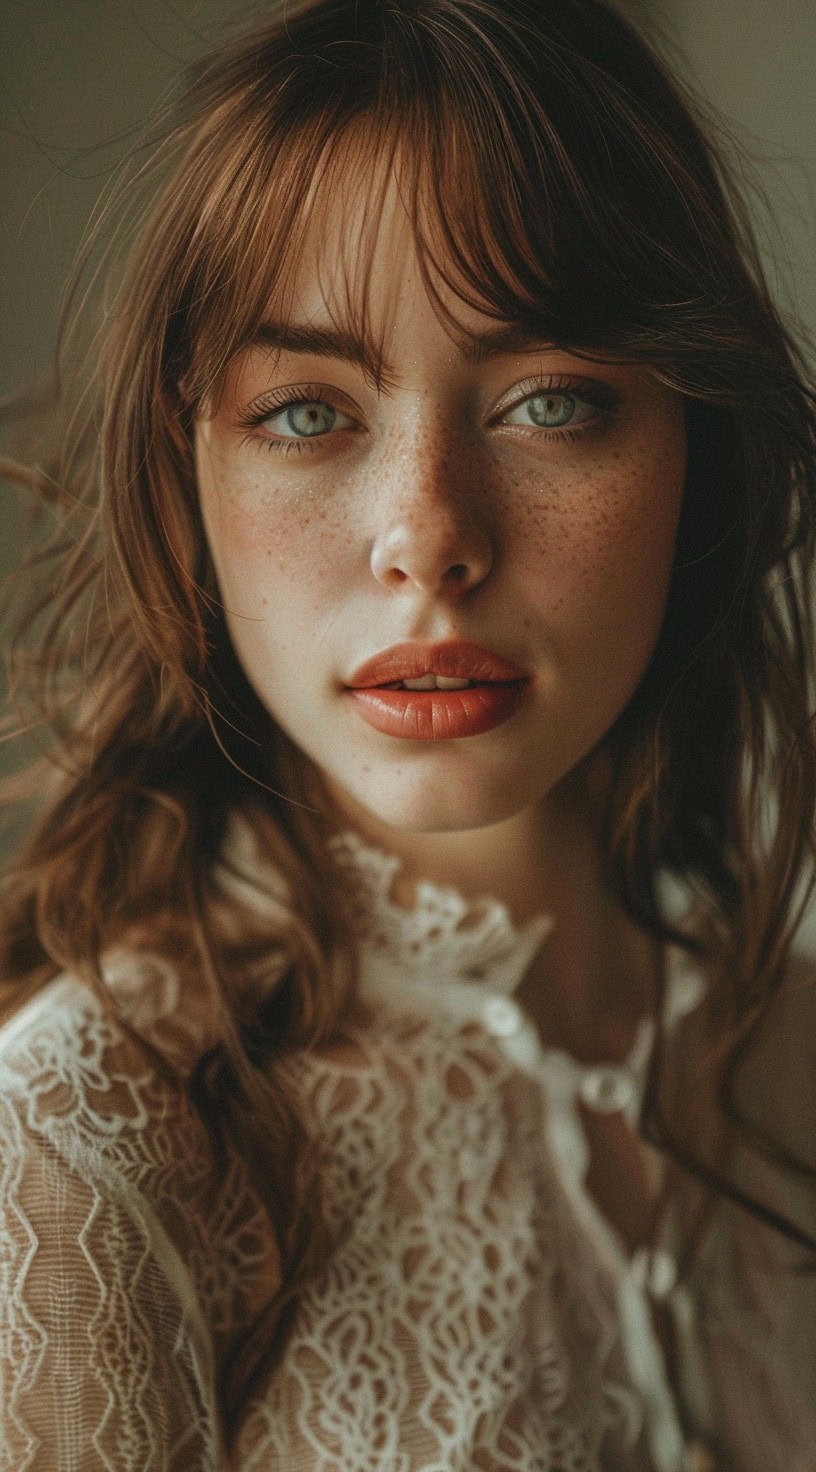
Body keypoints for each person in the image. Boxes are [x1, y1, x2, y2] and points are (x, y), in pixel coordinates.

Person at [1, 0, 815, 1467]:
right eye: (308, 414)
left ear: (700, 444)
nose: (428, 538)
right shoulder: (85, 1139)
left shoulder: (794, 1056)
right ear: (187, 471)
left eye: (553, 401)